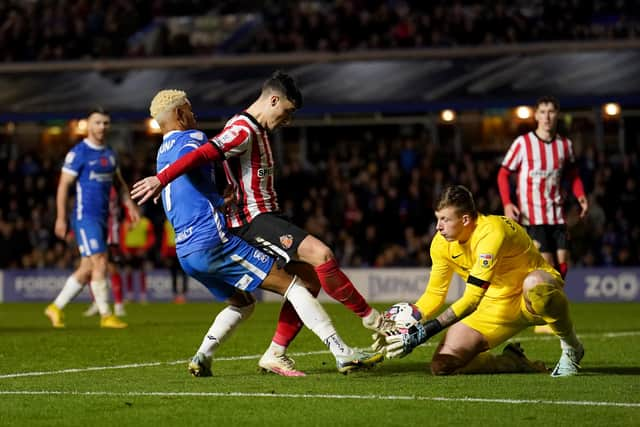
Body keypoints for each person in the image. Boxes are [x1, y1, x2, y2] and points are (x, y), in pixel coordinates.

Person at [130, 71, 391, 376]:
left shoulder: (164, 152)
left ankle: (221, 355)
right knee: (313, 265)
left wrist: (217, 198)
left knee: (266, 295)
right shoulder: (220, 133)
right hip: (240, 227)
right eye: (287, 112)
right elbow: (203, 154)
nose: (288, 120)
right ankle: (350, 343)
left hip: (189, 249)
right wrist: (163, 181)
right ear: (274, 100)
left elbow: (192, 183)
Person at [374, 185, 584, 377]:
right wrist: (406, 321)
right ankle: (510, 362)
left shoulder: (491, 232)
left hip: (528, 296)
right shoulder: (440, 244)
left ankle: (572, 348)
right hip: (493, 309)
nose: (438, 227)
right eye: (438, 219)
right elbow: (435, 295)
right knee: (441, 366)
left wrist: (424, 333)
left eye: (445, 220)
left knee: (535, 284)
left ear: (465, 219)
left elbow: (472, 299)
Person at [498, 96, 588, 333]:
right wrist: (508, 204)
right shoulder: (523, 143)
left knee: (562, 266)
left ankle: (551, 311)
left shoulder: (564, 146)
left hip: (557, 215)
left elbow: (573, 174)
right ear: (536, 116)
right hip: (532, 217)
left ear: (556, 115)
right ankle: (547, 318)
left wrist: (580, 196)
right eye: (543, 112)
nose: (547, 116)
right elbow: (503, 174)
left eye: (551, 111)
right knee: (546, 267)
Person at [45, 107, 138, 329]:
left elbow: (120, 184)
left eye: (106, 123)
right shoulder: (78, 153)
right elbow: (63, 187)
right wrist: (60, 218)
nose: (102, 127)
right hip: (85, 216)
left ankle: (55, 307)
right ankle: (106, 315)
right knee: (101, 261)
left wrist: (130, 205)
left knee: (87, 268)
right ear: (88, 125)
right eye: (97, 123)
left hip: (103, 218)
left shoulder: (109, 153)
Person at [160, 218, 189, 303]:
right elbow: (165, 237)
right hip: (171, 251)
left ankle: (183, 294)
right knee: (174, 274)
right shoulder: (167, 222)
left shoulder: (184, 219)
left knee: (183, 273)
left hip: (182, 249)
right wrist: (164, 253)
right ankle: (175, 294)